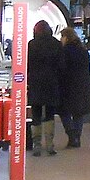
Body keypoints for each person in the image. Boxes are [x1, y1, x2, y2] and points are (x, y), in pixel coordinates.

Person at [27, 20, 63, 156]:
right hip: (51, 83)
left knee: (36, 114)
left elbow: (27, 64)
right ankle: (49, 145)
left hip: (35, 83)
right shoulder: (56, 44)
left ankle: (36, 145)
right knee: (49, 114)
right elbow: (61, 65)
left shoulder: (31, 44)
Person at [58, 27, 90, 148]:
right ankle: (77, 137)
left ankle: (72, 135)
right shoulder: (83, 50)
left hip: (67, 85)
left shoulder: (64, 51)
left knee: (64, 112)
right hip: (82, 85)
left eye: (62, 37)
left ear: (66, 37)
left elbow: (62, 68)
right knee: (78, 113)